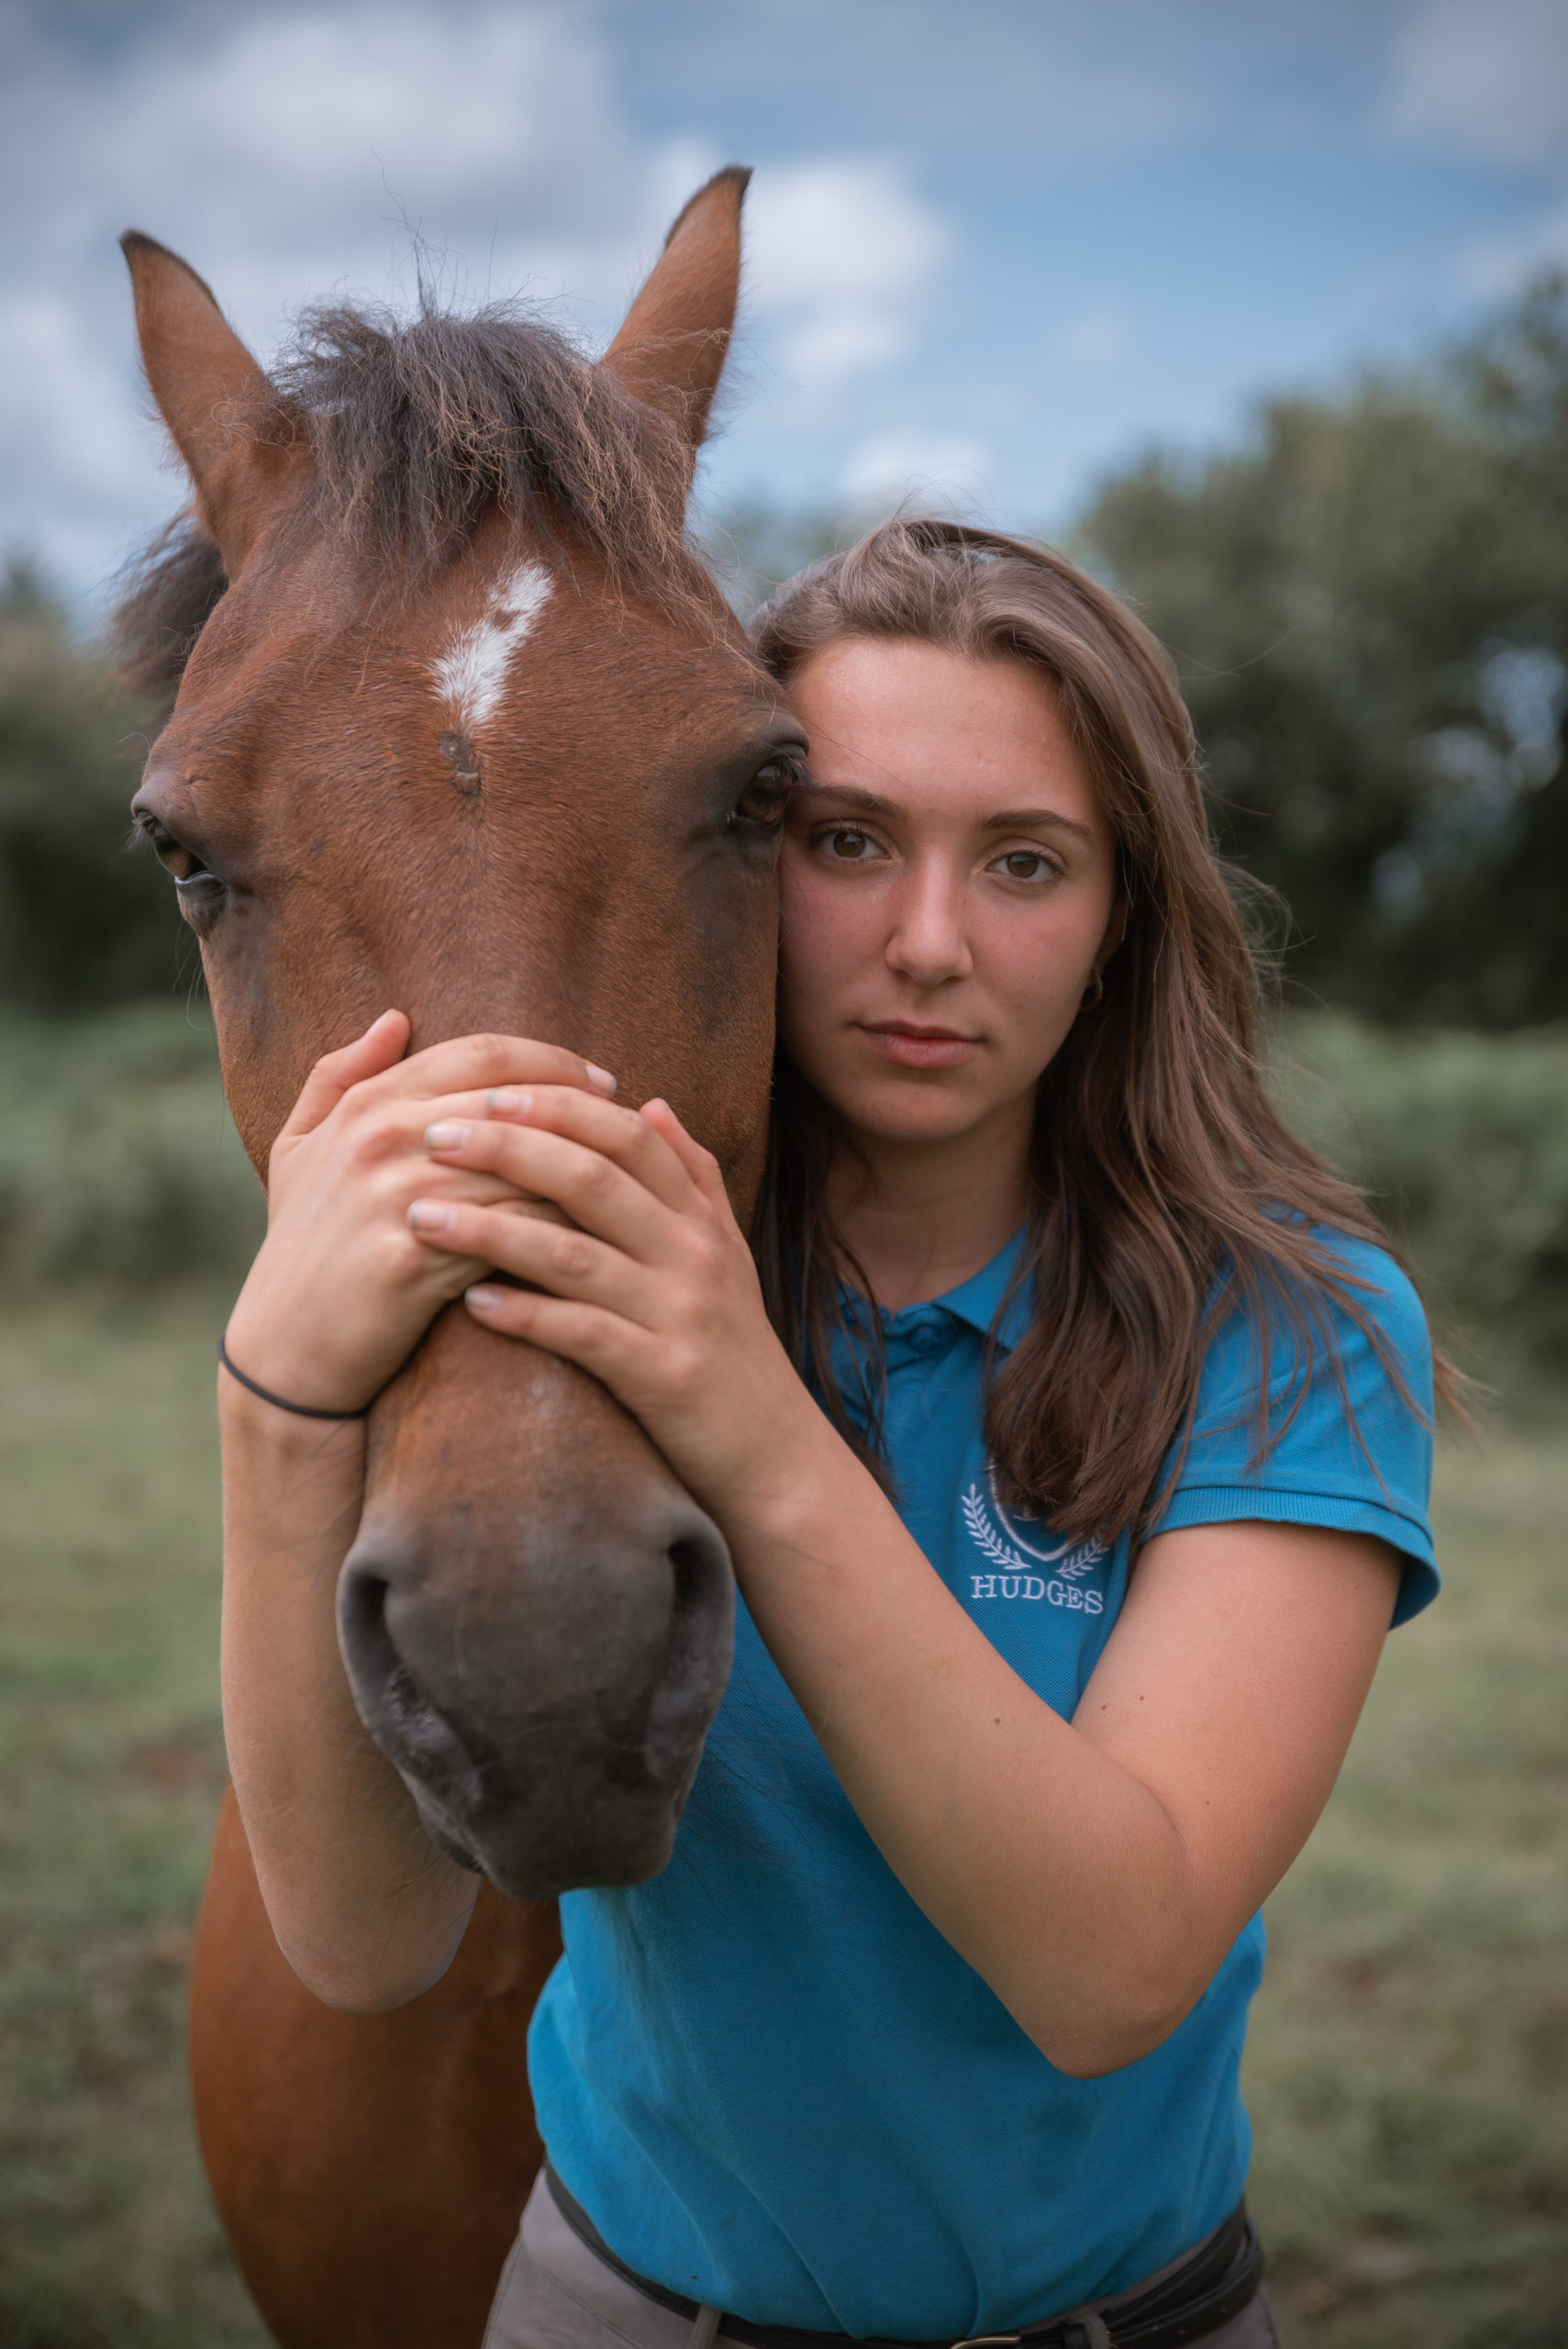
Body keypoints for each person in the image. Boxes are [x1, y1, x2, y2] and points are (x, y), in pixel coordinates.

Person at [218, 521, 1445, 2349]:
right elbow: (362, 1944)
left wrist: (755, 1423)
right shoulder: (568, 1315)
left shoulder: (1297, 1325)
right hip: (612, 2305)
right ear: (728, 853)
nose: (928, 945)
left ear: (1124, 917)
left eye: (1027, 860)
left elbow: (1113, 1966)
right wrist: (279, 1391)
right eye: (846, 841)